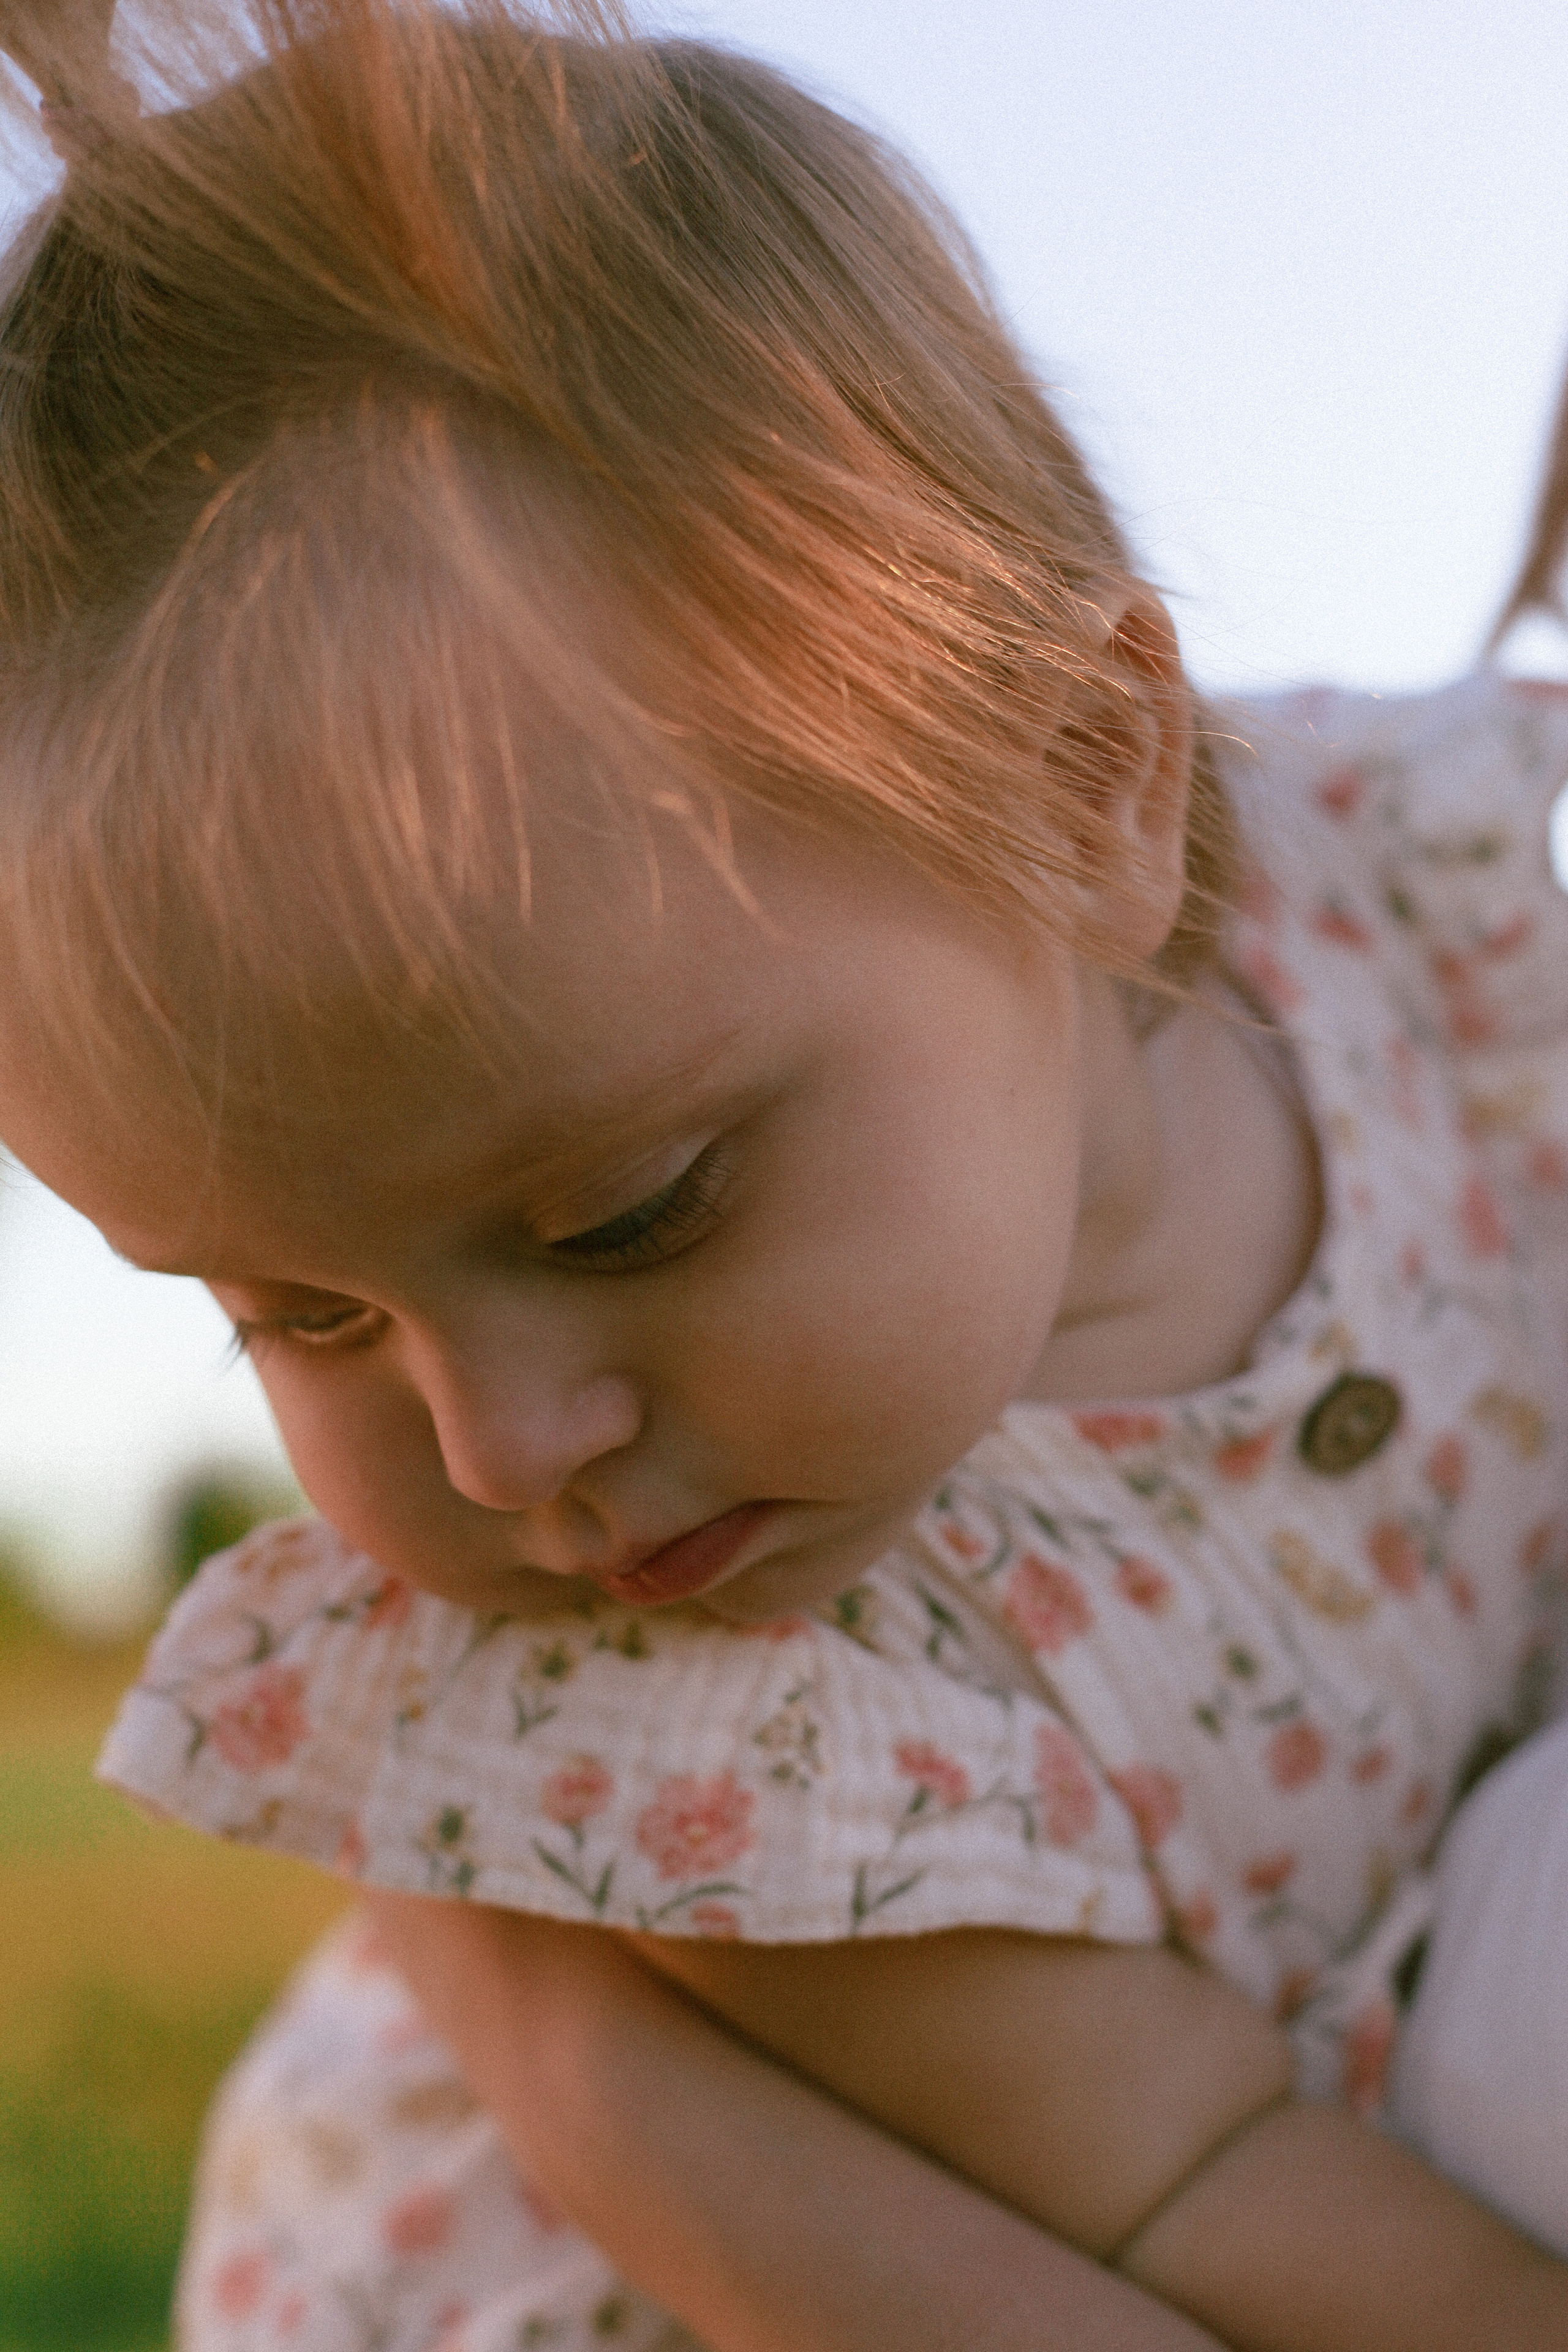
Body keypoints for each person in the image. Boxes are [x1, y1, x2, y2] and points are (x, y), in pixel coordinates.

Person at [1, 4, 1567, 2346]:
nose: (497, 1451)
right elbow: (1194, 2203)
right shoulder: (714, 1699)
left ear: (1079, 783)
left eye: (627, 1208)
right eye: (297, 1311)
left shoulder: (1406, 928)